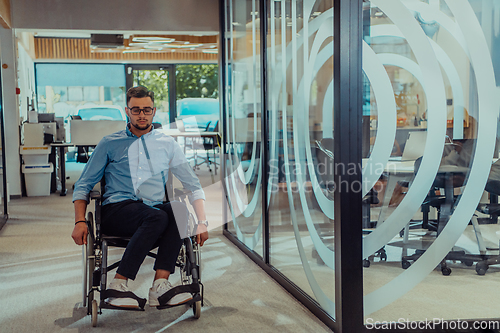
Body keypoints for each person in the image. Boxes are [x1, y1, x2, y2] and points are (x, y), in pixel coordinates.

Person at [71, 86, 209, 309]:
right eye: (136, 110)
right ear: (127, 111)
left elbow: (193, 184)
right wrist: (79, 221)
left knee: (178, 211)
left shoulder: (167, 144)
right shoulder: (109, 143)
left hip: (153, 211)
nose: (141, 115)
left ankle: (160, 286)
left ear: (154, 111)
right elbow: (84, 184)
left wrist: (202, 222)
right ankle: (119, 283)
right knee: (157, 217)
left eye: (146, 110)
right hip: (117, 210)